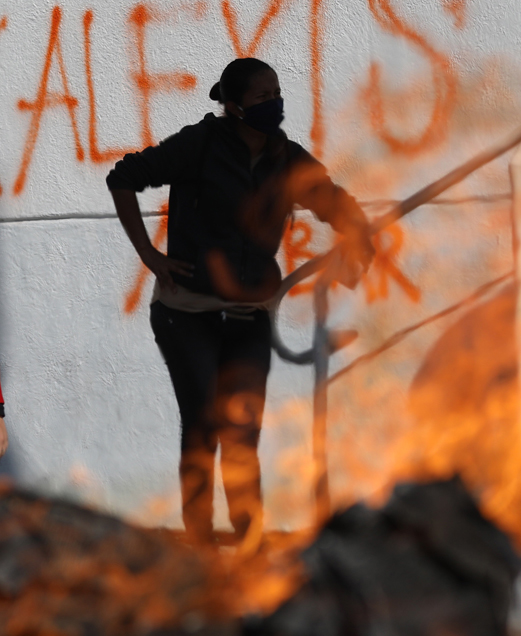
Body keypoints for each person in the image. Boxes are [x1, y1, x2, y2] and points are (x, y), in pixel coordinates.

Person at [107, 58, 375, 546]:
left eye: (277, 92)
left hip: (250, 315)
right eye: (262, 97)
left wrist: (359, 240)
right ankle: (200, 541)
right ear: (234, 106)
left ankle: (248, 538)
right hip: (187, 314)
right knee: (203, 425)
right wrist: (149, 255)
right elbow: (123, 177)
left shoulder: (286, 157)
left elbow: (333, 201)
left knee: (242, 432)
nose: (274, 103)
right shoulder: (200, 144)